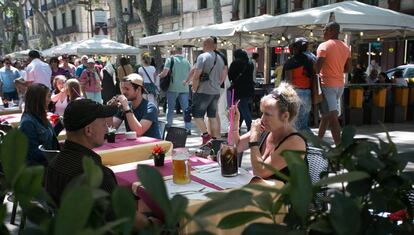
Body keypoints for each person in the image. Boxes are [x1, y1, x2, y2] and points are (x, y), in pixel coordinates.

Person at [44, 98, 154, 228]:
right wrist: (152, 224)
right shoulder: (96, 175)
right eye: (103, 124)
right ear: (88, 130)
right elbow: (123, 218)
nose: (106, 130)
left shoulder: (53, 164)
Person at [230, 83, 306, 180]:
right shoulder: (266, 129)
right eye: (262, 113)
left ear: (285, 116)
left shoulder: (296, 142)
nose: (262, 119)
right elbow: (235, 147)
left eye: (267, 114)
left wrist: (254, 141)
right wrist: (235, 123)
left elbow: (260, 172)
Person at [316, 22, 352, 145]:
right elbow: (348, 69)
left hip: (327, 84)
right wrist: (336, 67)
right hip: (339, 85)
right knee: (326, 115)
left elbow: (316, 68)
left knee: (332, 117)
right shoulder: (345, 47)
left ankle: (339, 146)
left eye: (324, 30)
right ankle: (318, 141)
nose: (323, 32)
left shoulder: (324, 46)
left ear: (331, 30)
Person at [192, 37, 226, 144]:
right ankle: (215, 140)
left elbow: (196, 75)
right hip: (215, 92)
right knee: (212, 116)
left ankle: (205, 135)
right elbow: (222, 76)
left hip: (203, 91)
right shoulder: (220, 58)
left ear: (206, 45)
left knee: (197, 116)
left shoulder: (202, 57)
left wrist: (194, 89)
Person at [19, 83, 59, 166]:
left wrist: (60, 125)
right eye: (48, 96)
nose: (50, 99)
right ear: (39, 99)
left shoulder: (40, 116)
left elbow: (48, 138)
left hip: (49, 163)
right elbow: (33, 154)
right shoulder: (28, 123)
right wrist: (57, 155)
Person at [112, 73, 161, 139]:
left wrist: (127, 109)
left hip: (151, 147)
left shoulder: (150, 108)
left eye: (127, 89)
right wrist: (109, 109)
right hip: (135, 146)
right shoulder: (125, 106)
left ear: (138, 89)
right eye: (122, 88)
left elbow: (138, 132)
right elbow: (112, 128)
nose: (123, 92)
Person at [283, 38, 316, 131]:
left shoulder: (291, 62)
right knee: (304, 123)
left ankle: (302, 143)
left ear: (295, 48)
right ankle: (308, 142)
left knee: (295, 124)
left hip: (295, 93)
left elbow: (288, 82)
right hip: (307, 92)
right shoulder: (310, 60)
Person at [159, 47, 192, 134]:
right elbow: (192, 73)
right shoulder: (186, 61)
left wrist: (158, 76)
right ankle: (188, 128)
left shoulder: (170, 60)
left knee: (170, 108)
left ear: (173, 52)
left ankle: (169, 125)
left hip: (172, 87)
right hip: (184, 88)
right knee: (186, 109)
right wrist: (187, 81)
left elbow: (165, 73)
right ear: (181, 52)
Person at [228, 49, 255, 131]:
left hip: (239, 89)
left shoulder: (235, 63)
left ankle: (250, 127)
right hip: (249, 88)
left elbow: (230, 76)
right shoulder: (250, 63)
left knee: (243, 107)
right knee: (241, 107)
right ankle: (238, 126)